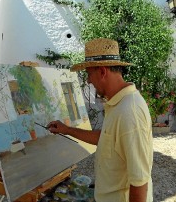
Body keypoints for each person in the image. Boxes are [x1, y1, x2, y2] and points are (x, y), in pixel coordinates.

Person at [48, 38, 153, 202]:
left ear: (103, 71)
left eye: (89, 74)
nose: (89, 81)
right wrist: (66, 130)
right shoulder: (117, 103)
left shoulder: (129, 111)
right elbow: (106, 139)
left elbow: (139, 181)